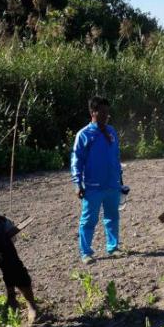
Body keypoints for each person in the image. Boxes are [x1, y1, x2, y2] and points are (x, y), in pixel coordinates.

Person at [71, 96, 125, 264]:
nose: (105, 115)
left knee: (112, 216)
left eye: (107, 112)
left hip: (112, 184)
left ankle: (113, 247)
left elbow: (116, 157)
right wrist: (77, 183)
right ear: (92, 112)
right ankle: (85, 252)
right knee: (88, 220)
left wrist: (120, 180)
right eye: (102, 112)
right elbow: (76, 160)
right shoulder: (84, 135)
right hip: (93, 186)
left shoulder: (111, 132)